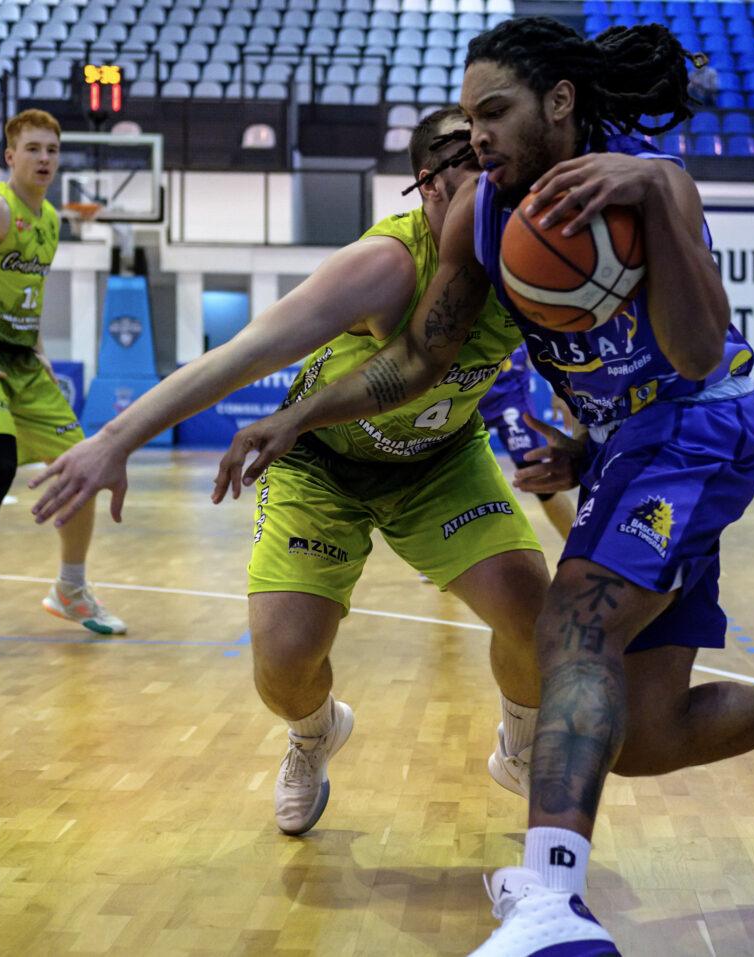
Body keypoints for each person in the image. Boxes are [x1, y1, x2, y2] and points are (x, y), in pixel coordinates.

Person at [202, 19, 754, 954]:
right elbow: (420, 357)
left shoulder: (651, 184)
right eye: (467, 119)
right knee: (643, 735)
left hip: (698, 429)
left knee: (571, 623)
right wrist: (299, 416)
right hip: (627, 446)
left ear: (559, 101)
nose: (477, 135)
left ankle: (551, 901)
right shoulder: (485, 210)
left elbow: (694, 356)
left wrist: (658, 198)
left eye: (494, 112)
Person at [29, 108, 549, 834]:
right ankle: (313, 733)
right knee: (283, 662)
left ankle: (520, 746)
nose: (494, 183)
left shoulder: (526, 253)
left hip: (439, 462)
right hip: (320, 464)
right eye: (473, 168)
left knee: (536, 614)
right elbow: (246, 352)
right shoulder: (387, 264)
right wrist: (114, 438)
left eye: (500, 165)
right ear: (429, 185)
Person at [0, 109, 126, 652]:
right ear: (10, 156)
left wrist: (40, 353)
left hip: (22, 361)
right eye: (33, 149)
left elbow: (25, 296)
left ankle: (71, 591)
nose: (44, 159)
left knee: (82, 470)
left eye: (52, 150)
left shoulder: (52, 219)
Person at [479, 344, 575, 538]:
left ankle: (581, 547)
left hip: (509, 392)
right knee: (451, 478)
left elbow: (544, 334)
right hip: (463, 393)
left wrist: (559, 390)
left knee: (540, 478)